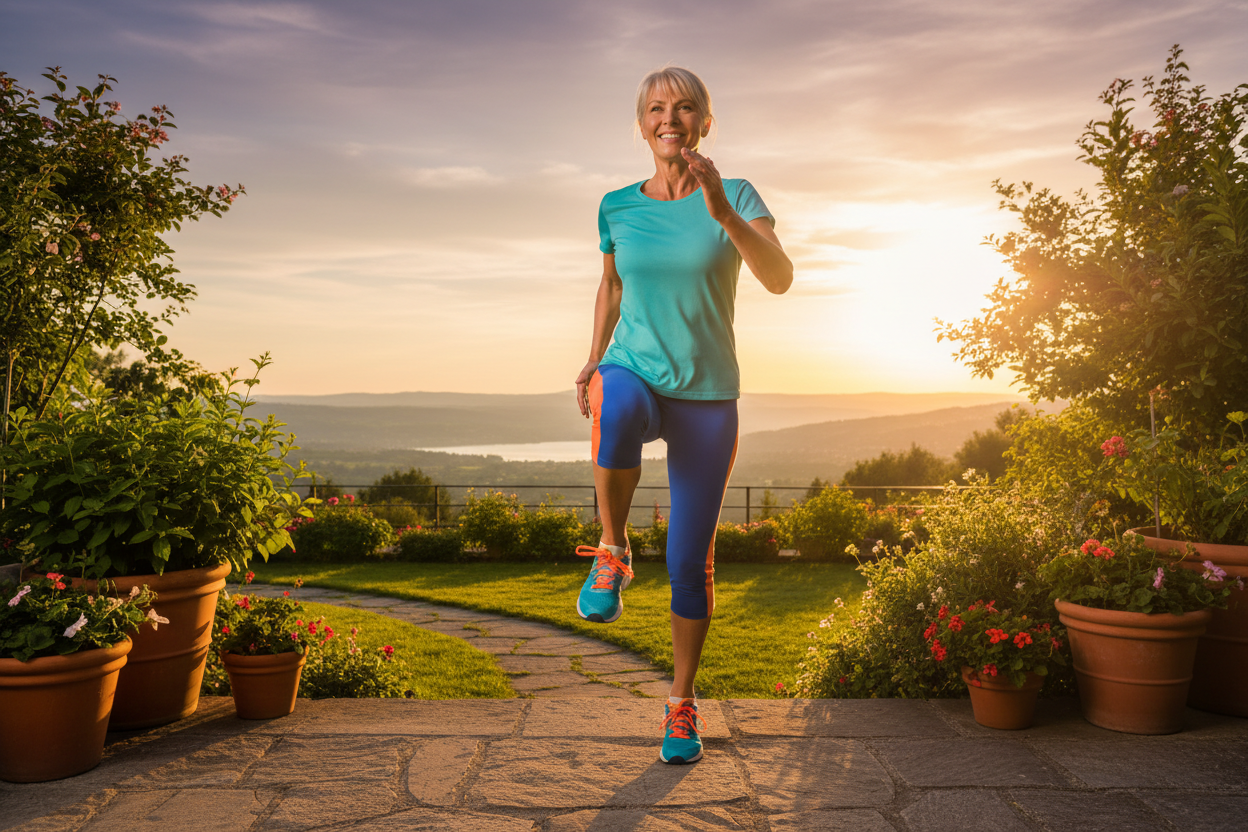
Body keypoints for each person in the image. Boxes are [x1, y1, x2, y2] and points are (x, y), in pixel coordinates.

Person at [573, 66, 793, 764]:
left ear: (704, 123)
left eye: (686, 107)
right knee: (613, 403)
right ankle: (612, 549)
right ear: (643, 126)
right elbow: (610, 284)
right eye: (658, 108)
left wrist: (722, 209)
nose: (672, 117)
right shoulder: (616, 205)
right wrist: (592, 357)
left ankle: (680, 703)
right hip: (636, 366)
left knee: (689, 564)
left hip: (707, 394)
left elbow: (780, 277)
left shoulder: (736, 195)